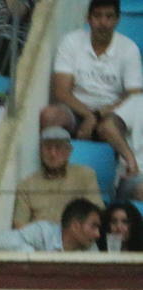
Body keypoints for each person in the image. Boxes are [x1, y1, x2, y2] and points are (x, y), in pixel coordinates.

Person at [52, 0, 141, 183]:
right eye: (97, 16)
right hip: (76, 110)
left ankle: (132, 166)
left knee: (109, 126)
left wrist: (99, 114)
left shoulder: (129, 48)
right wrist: (89, 116)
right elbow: (61, 91)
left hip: (111, 112)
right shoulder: (72, 41)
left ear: (117, 20)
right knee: (50, 115)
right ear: (88, 18)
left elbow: (134, 95)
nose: (103, 22)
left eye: (109, 17)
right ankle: (53, 171)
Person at [12, 125, 104, 228]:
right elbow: (19, 225)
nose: (53, 153)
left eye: (58, 147)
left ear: (69, 151)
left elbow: (96, 212)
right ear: (40, 151)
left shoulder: (85, 175)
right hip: (38, 240)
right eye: (47, 148)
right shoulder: (27, 185)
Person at [0, 196, 102, 253]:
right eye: (93, 226)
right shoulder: (42, 232)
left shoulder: (91, 248)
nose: (97, 234)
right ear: (75, 226)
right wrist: (35, 258)